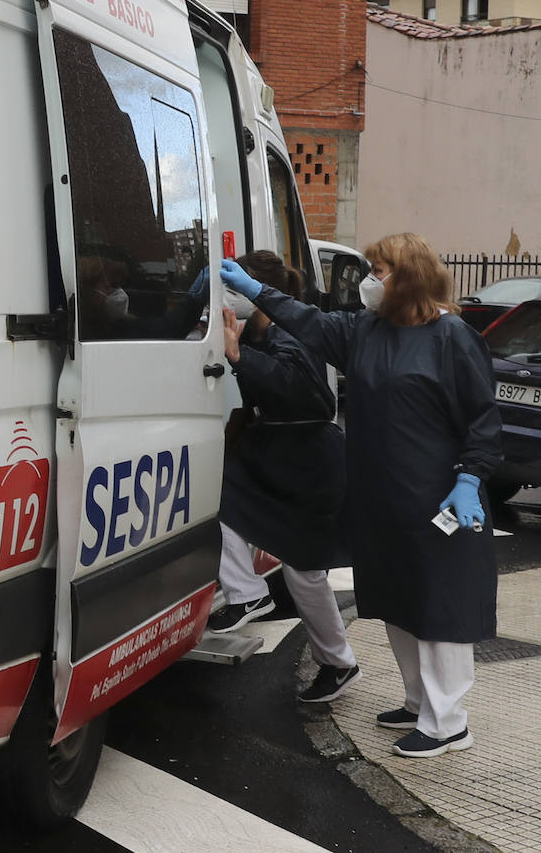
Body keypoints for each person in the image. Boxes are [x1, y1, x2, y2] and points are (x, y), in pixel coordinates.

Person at [220, 232, 502, 758]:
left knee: (440, 605)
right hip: (381, 496)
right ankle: (418, 703)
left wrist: (470, 479)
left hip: (437, 495)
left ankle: (448, 722)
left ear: (409, 277)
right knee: (399, 600)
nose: (370, 280)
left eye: (379, 270)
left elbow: (482, 417)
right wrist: (257, 290)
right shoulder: (366, 330)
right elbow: (307, 320)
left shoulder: (451, 337)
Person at [206, 251, 359, 705]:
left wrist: (240, 357)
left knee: (304, 572)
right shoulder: (259, 330)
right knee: (221, 501)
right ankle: (251, 595)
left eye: (233, 286)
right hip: (279, 456)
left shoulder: (292, 331)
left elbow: (301, 391)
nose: (225, 297)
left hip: (310, 464)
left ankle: (336, 661)